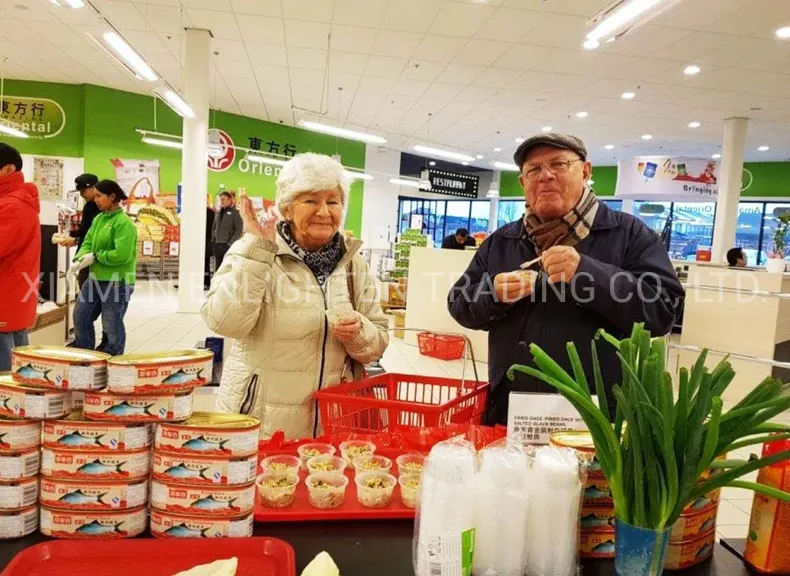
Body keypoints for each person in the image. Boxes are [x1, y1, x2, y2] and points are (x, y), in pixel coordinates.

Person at [448, 133, 684, 424]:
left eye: (558, 164)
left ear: (585, 171)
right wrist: (492, 294)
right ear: (523, 183)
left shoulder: (629, 234)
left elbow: (663, 310)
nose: (545, 176)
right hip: (512, 409)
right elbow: (459, 303)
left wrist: (586, 273)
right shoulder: (503, 240)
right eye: (533, 169)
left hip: (596, 417)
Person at [202, 153, 389, 438]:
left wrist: (358, 331)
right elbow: (224, 322)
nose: (324, 212)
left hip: (334, 424)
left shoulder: (353, 263)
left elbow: (377, 345)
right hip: (262, 424)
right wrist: (256, 254)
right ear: (287, 208)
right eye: (311, 201)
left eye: (333, 201)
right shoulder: (255, 250)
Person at [71, 180, 137, 356]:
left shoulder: (124, 224)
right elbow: (87, 243)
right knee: (80, 316)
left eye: (99, 196)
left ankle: (113, 359)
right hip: (95, 279)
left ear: (112, 196)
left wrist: (96, 256)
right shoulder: (99, 219)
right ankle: (85, 356)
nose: (96, 200)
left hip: (117, 281)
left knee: (111, 325)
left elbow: (121, 255)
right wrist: (79, 258)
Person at [0, 143, 41, 371]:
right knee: (18, 361)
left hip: (4, 296)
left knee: (5, 373)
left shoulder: (12, 205)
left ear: (9, 169)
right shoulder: (16, 201)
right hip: (12, 296)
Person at [212, 191, 242, 271]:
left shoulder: (235, 213)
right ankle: (217, 283)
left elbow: (239, 230)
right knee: (217, 268)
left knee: (226, 268)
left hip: (227, 245)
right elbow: (214, 227)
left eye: (223, 199)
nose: (221, 201)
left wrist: (230, 243)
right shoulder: (218, 213)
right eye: (220, 199)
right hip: (217, 244)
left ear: (229, 200)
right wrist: (213, 240)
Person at [205, 205, 215, 290]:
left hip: (206, 241)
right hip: (208, 241)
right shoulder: (212, 212)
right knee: (206, 263)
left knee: (205, 264)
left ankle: (206, 283)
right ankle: (206, 283)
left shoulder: (208, 213)